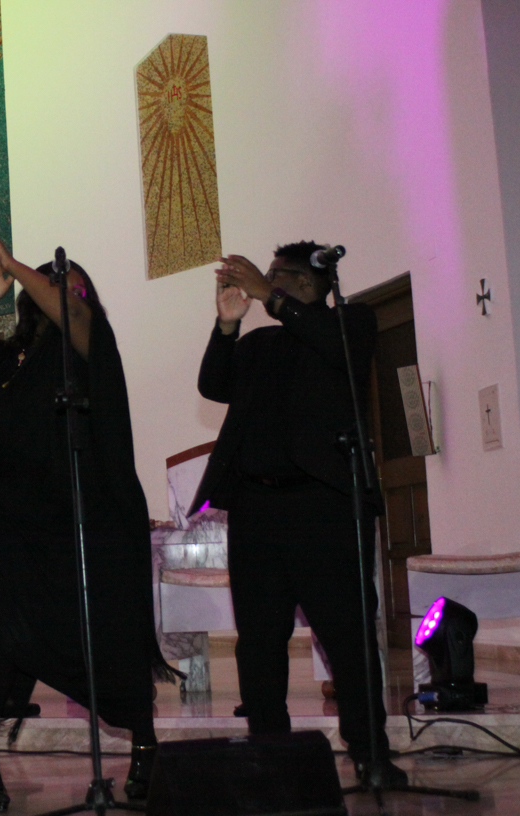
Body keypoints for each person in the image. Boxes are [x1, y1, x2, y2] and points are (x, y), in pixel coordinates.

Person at [0, 229, 175, 810]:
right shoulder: (5, 357)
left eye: (70, 287)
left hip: (87, 520)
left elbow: (73, 313)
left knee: (112, 635)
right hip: (14, 526)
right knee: (4, 634)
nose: (59, 293)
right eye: (51, 286)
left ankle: (146, 747)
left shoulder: (89, 345)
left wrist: (20, 265)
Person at [192, 242, 406, 788]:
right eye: (266, 277)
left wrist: (270, 296)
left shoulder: (350, 324)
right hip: (256, 509)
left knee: (347, 636)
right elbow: (213, 385)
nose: (266, 284)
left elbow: (335, 349)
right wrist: (226, 327)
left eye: (278, 277)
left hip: (324, 506)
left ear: (310, 282)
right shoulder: (260, 342)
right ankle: (272, 755)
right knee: (259, 641)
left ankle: (371, 754)